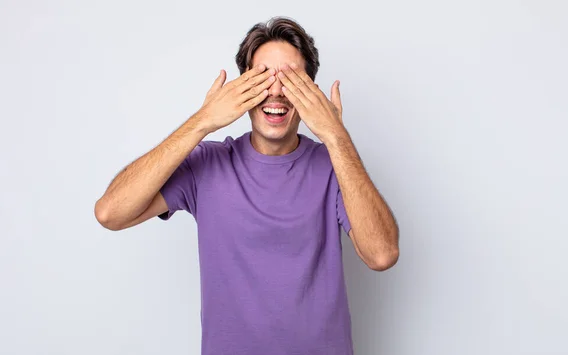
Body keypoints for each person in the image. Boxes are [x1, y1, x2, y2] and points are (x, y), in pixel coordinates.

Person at [95, 16, 399, 355]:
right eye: (263, 76)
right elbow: (111, 213)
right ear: (242, 87)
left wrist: (336, 135)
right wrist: (202, 121)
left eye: (292, 79)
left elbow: (382, 255)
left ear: (311, 91)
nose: (277, 91)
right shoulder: (208, 164)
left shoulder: (335, 167)